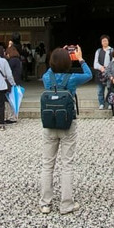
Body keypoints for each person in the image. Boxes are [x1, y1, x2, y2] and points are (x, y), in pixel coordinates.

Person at [39, 45, 93, 214]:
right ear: (69, 62)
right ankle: (66, 203)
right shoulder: (72, 79)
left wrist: (58, 54)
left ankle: (45, 203)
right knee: (66, 164)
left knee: (47, 164)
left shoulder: (47, 78)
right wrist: (80, 58)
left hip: (49, 124)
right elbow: (89, 75)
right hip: (68, 123)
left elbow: (48, 71)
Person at [92, 35, 112, 110]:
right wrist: (101, 67)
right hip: (100, 73)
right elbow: (95, 63)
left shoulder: (112, 50)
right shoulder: (98, 51)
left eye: (106, 40)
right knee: (100, 90)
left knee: (110, 89)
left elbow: (113, 61)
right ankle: (101, 103)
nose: (104, 42)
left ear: (108, 41)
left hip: (109, 73)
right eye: (103, 41)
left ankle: (110, 103)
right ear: (101, 42)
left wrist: (108, 68)